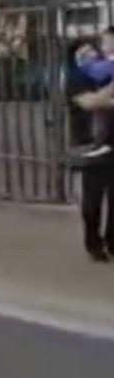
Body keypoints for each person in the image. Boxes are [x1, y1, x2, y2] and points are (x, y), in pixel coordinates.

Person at [66, 36, 114, 263]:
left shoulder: (106, 73)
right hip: (90, 146)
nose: (90, 57)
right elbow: (90, 103)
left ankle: (112, 241)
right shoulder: (75, 79)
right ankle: (93, 242)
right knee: (92, 200)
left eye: (93, 52)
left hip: (112, 143)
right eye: (83, 55)